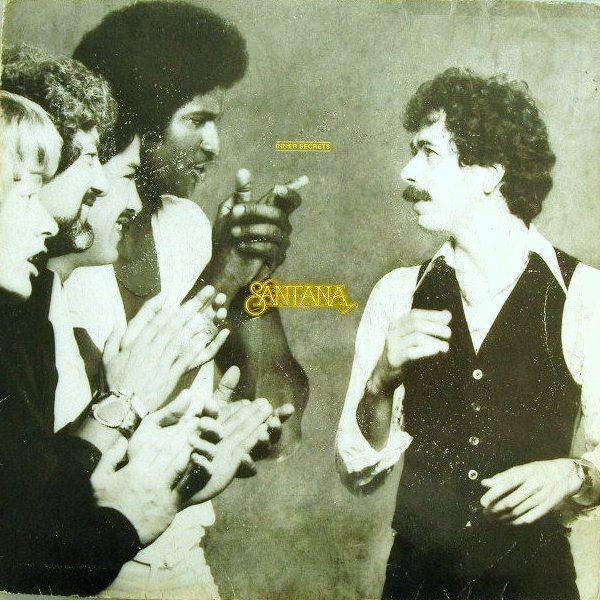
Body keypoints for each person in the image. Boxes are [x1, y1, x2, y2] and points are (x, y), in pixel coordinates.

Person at [0, 56, 276, 596]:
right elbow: (32, 534)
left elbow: (47, 495)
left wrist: (173, 468)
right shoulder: (27, 303)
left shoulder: (36, 297)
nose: (106, 187)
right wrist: (124, 403)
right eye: (93, 162)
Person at [336, 68, 600, 600]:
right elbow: (358, 471)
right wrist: (379, 383)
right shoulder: (398, 293)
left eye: (428, 152)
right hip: (415, 585)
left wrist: (574, 474)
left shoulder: (584, 296)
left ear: (491, 172)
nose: (407, 171)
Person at [72, 0, 309, 457]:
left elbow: (282, 429)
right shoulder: (73, 243)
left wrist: (250, 270)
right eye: (197, 121)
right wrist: (224, 273)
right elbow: (107, 437)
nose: (214, 146)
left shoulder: (186, 225)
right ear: (139, 122)